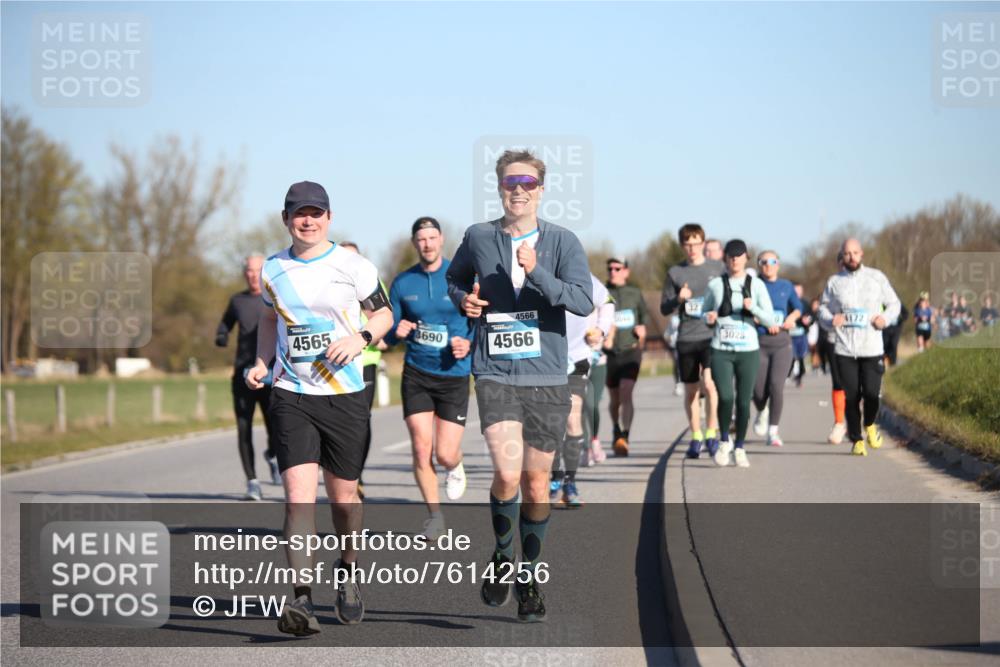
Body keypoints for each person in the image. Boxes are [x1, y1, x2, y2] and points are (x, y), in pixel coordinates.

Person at [446, 149, 592, 623]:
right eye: (511, 182)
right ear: (500, 187)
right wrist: (464, 300)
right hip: (495, 371)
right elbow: (454, 280)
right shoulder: (478, 237)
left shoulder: (562, 241)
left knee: (535, 482)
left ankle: (528, 576)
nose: (519, 190)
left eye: (528, 182)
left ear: (541, 190)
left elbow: (583, 302)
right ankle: (504, 555)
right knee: (508, 473)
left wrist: (539, 274)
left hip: (549, 375)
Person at [246, 181, 393, 635]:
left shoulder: (354, 265)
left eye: (315, 213)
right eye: (298, 213)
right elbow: (270, 319)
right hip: (292, 395)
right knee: (297, 500)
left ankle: (348, 572)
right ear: (286, 218)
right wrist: (261, 361)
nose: (307, 220)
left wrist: (361, 338)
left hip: (345, 396)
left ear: (329, 217)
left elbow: (384, 314)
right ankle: (302, 601)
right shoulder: (273, 270)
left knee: (344, 500)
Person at [385, 217, 472, 539]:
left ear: (441, 239)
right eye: (421, 239)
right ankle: (435, 516)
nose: (427, 244)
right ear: (414, 243)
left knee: (445, 453)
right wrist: (398, 329)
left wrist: (471, 343)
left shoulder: (461, 277)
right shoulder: (403, 282)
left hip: (454, 374)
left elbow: (483, 320)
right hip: (417, 373)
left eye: (432, 238)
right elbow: (389, 329)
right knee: (422, 449)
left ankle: (454, 465)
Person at [819, 238, 900, 457]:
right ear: (842, 256)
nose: (851, 257)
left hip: (871, 347)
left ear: (862, 254)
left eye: (855, 253)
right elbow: (823, 309)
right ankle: (856, 439)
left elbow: (895, 303)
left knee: (872, 394)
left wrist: (885, 318)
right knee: (852, 396)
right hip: (845, 349)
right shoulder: (835, 282)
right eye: (847, 253)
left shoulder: (876, 277)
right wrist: (830, 318)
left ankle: (871, 425)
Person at [702, 240, 779, 468]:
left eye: (739, 256)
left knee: (744, 402)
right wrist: (708, 318)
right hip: (721, 349)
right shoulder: (715, 285)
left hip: (748, 350)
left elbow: (771, 319)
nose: (734, 260)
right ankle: (724, 440)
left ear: (746, 258)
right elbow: (704, 312)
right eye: (730, 256)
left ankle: (740, 447)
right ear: (725, 259)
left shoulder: (756, 285)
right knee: (726, 397)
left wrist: (752, 308)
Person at [216, 255, 281, 500]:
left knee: (276, 426)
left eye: (257, 270)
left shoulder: (275, 298)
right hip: (243, 374)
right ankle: (252, 481)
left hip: (270, 373)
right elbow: (224, 325)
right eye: (249, 271)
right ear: (244, 273)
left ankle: (273, 455)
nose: (253, 275)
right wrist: (221, 336)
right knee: (244, 428)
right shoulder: (237, 301)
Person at [660, 223, 724, 459]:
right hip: (687, 338)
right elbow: (664, 308)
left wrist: (719, 311)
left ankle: (711, 432)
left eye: (696, 243)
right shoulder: (675, 273)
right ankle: (696, 436)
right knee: (691, 391)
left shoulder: (718, 269)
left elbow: (729, 296)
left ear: (703, 244)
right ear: (682, 246)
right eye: (688, 244)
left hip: (711, 336)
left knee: (709, 383)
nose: (692, 249)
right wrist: (679, 298)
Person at [551, 273, 613, 504]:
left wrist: (600, 329)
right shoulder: (533, 272)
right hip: (544, 358)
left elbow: (607, 302)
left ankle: (570, 481)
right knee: (551, 422)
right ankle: (554, 476)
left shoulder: (581, 275)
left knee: (572, 419)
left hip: (576, 356)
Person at [340, 241, 389, 501]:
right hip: (336, 362)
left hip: (366, 359)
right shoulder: (330, 280)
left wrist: (377, 336)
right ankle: (343, 469)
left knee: (360, 418)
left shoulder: (370, 280)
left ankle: (356, 471)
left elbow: (384, 316)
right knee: (339, 420)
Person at [750, 251, 802, 447]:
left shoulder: (786, 286)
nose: (768, 265)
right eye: (764, 262)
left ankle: (773, 431)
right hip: (758, 342)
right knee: (758, 392)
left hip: (781, 343)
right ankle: (762, 411)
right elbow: (747, 309)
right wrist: (761, 319)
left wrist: (791, 318)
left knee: (776, 385)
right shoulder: (753, 285)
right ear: (758, 265)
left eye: (772, 261)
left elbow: (798, 308)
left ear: (778, 264)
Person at [605, 257, 648, 456]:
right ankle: (615, 428)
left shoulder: (635, 293)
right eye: (610, 268)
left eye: (617, 268)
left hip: (631, 351)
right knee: (614, 399)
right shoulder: (603, 293)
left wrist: (642, 331)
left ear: (626, 271)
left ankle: (626, 435)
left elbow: (643, 317)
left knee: (626, 391)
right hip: (610, 353)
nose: (613, 271)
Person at [584, 294, 615, 465]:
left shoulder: (600, 297)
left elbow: (611, 321)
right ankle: (585, 448)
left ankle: (594, 441)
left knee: (592, 404)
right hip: (576, 362)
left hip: (598, 361)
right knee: (579, 406)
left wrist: (608, 338)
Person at [881, 300, 908, 367]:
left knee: (894, 344)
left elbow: (906, 314)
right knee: (885, 344)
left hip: (896, 329)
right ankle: (884, 361)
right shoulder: (883, 304)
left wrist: (900, 319)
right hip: (886, 328)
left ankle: (893, 362)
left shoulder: (898, 304)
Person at [807, 297, 822, 372]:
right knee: (812, 350)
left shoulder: (820, 313)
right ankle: (814, 364)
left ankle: (817, 365)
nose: (816, 306)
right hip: (811, 334)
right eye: (815, 304)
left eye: (817, 304)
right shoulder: (809, 313)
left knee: (817, 350)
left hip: (818, 334)